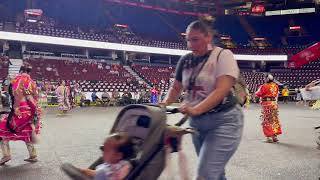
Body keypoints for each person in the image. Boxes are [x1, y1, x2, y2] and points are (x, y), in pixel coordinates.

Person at [161, 16, 244, 180]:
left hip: (224, 120)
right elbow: (176, 88)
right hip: (197, 124)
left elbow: (221, 90)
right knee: (215, 173)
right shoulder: (185, 60)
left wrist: (196, 109)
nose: (191, 45)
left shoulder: (223, 55)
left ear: (208, 37)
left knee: (205, 174)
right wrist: (162, 104)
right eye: (188, 40)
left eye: (195, 39)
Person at [0, 62, 41, 165]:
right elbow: (35, 97)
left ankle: (6, 155)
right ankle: (33, 155)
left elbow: (15, 94)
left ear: (21, 71)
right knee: (27, 131)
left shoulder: (18, 80)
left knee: (2, 129)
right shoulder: (32, 82)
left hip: (20, 110)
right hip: (31, 111)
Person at [255, 74, 282, 143]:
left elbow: (258, 93)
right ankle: (274, 136)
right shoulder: (276, 86)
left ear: (267, 79)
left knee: (267, 120)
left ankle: (268, 137)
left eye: (265, 78)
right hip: (274, 103)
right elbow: (276, 94)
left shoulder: (264, 86)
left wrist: (256, 93)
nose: (264, 79)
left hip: (267, 103)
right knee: (274, 119)